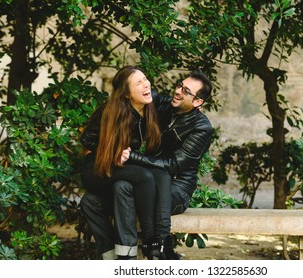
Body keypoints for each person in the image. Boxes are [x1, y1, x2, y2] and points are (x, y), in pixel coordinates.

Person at [114, 70, 214, 259]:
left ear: (198, 102)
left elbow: (174, 165)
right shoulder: (164, 105)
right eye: (179, 85)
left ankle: (156, 250)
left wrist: (131, 156)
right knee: (122, 186)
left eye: (186, 91)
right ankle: (127, 258)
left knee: (135, 194)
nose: (178, 91)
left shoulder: (201, 127)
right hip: (151, 179)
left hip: (178, 188)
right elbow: (136, 90)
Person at [79, 65, 172, 260]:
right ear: (127, 94)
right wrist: (111, 153)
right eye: (138, 83)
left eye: (145, 78)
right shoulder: (111, 111)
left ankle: (116, 258)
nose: (146, 84)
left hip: (115, 171)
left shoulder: (147, 109)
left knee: (139, 180)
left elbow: (172, 103)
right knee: (144, 176)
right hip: (95, 170)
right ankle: (149, 240)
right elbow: (87, 139)